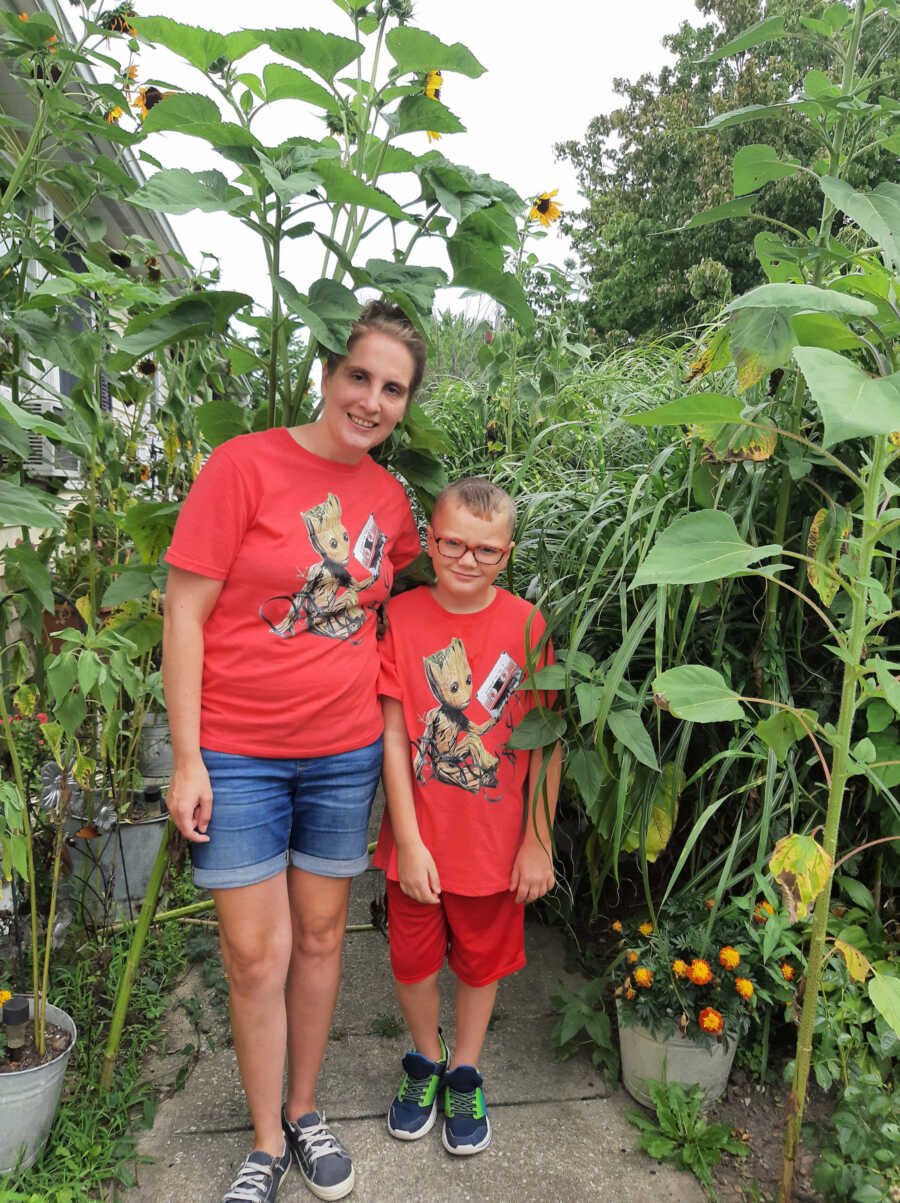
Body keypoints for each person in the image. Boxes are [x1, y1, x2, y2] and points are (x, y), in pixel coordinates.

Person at [161, 301, 426, 1203]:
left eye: (393, 389)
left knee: (320, 938)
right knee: (253, 955)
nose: (372, 400)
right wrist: (187, 757)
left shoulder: (391, 503)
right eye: (360, 376)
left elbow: (406, 605)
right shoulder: (242, 466)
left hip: (344, 750)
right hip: (236, 753)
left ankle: (305, 1109)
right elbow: (184, 615)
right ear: (326, 375)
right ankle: (265, 1141)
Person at [372, 476, 562, 1156]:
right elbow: (396, 734)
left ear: (506, 555)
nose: (466, 559)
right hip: (418, 839)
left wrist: (536, 841)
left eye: (485, 549)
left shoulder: (527, 624)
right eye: (453, 542)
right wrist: (409, 840)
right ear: (431, 542)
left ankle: (465, 1070)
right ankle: (426, 1056)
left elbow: (547, 741)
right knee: (412, 957)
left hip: (493, 843)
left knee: (481, 962)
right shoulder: (403, 615)